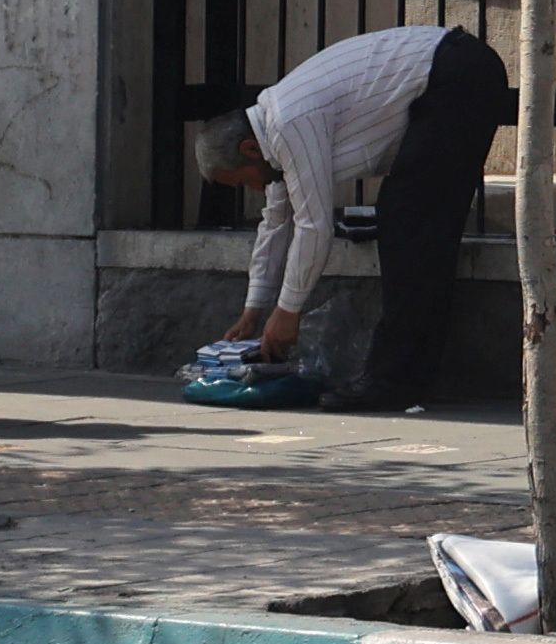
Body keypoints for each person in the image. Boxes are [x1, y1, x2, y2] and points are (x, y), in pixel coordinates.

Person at [186, 20, 516, 411]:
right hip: (449, 74)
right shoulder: (272, 138)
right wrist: (254, 309)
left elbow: (313, 225)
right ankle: (404, 377)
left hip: (456, 75)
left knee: (410, 223)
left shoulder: (289, 121)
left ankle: (395, 382)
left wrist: (288, 312)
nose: (252, 190)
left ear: (248, 150)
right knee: (410, 220)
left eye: (242, 183)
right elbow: (275, 223)